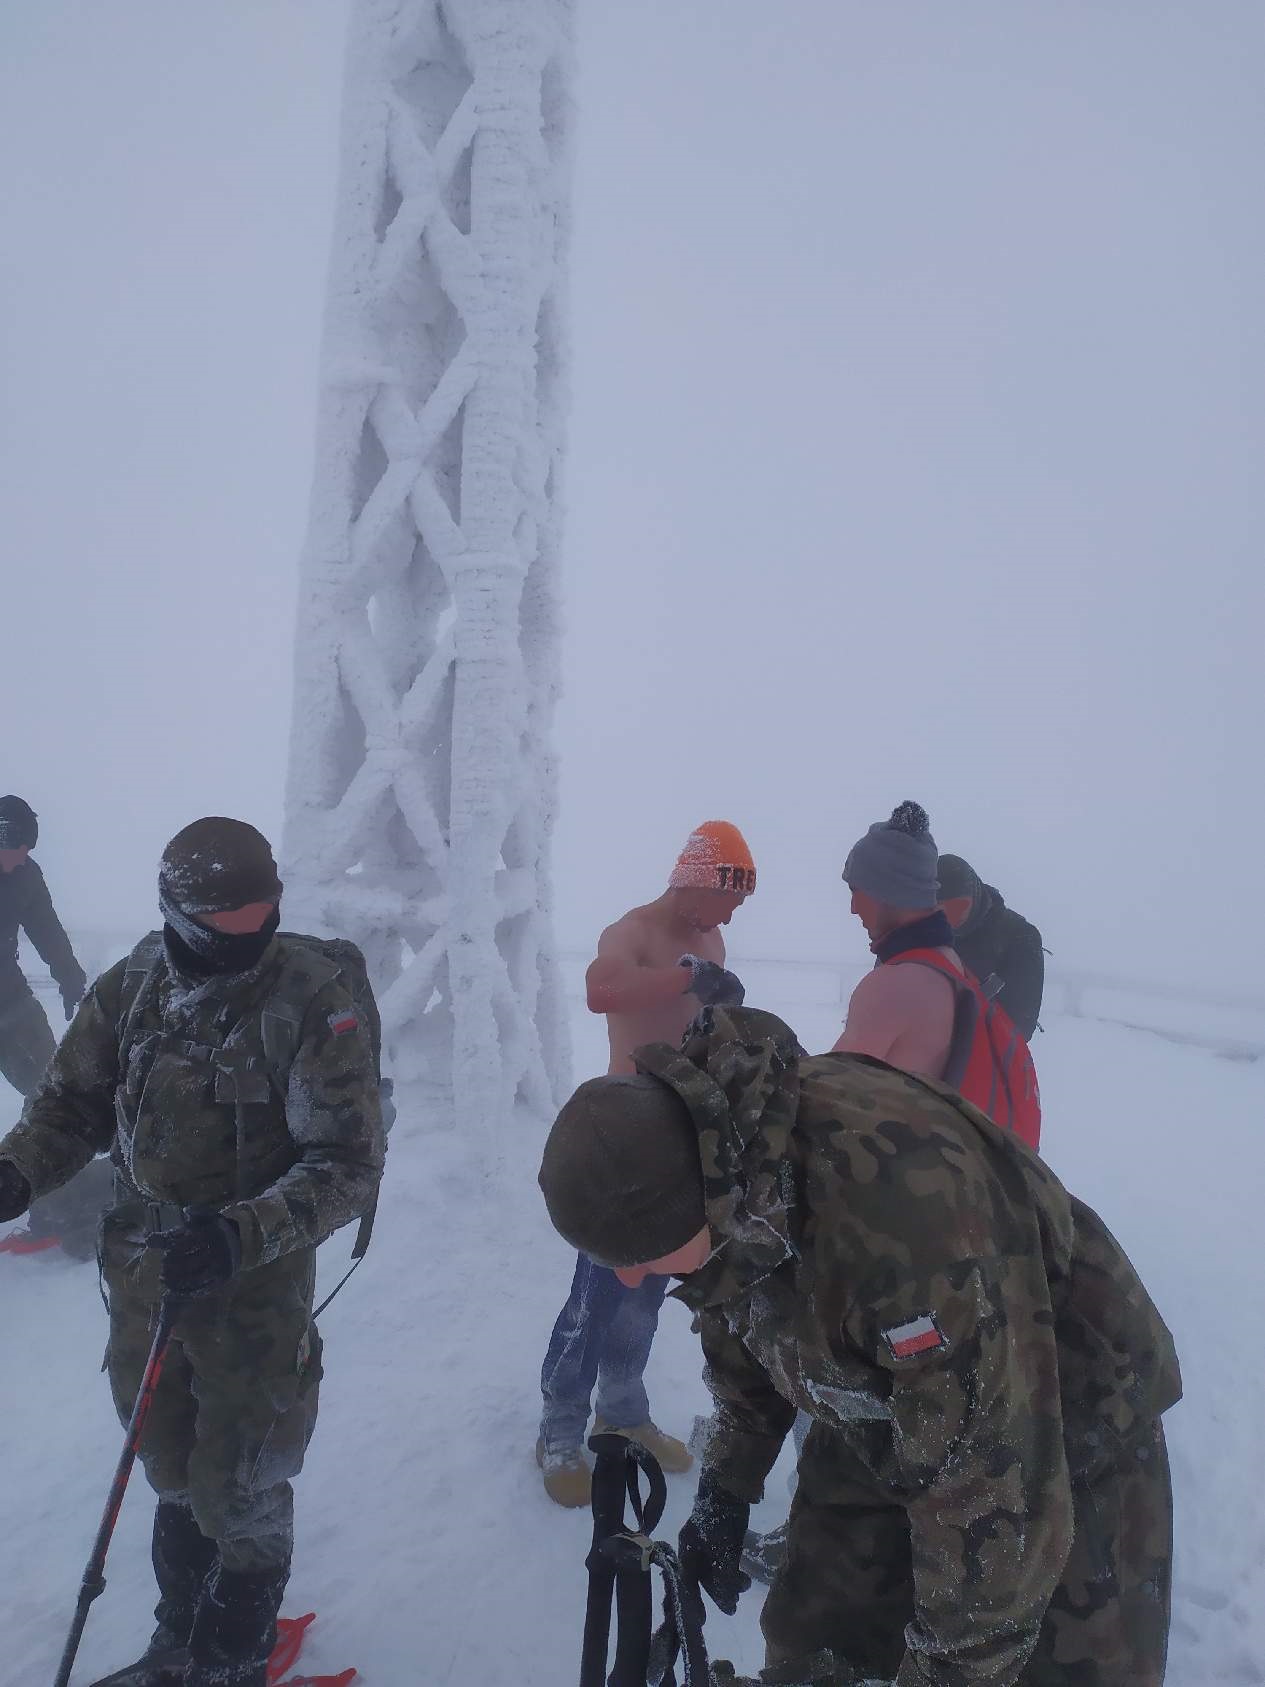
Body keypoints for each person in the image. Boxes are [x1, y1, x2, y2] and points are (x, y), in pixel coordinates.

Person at [539, 1005, 1180, 1687]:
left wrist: (943, 1674)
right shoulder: (725, 1162)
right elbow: (742, 1297)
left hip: (1060, 1417)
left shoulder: (906, 1238)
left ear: (696, 1207)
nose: (632, 1276)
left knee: (1039, 1663)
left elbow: (992, 1494)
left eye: (642, 1255)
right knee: (817, 1638)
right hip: (879, 1398)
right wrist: (727, 1482)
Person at [0, 817, 385, 1687]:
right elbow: (71, 1104)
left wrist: (238, 1233)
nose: (250, 944)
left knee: (243, 1482)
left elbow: (348, 1166)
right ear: (177, 914)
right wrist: (17, 1172)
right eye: (227, 929)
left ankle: (232, 1663)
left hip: (253, 1282)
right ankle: (180, 1641)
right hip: (143, 1269)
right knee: (167, 1457)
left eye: (264, 919)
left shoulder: (313, 1000)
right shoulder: (135, 979)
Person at [535, 820, 753, 1508]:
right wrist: (682, 977)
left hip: (679, 1139)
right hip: (619, 1141)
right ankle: (558, 1428)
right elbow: (603, 990)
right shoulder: (631, 931)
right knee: (595, 1299)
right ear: (697, 881)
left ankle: (623, 1410)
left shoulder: (710, 938)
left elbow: (702, 1020)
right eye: (731, 897)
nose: (733, 914)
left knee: (647, 1295)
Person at [835, 801, 1040, 1147]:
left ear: (888, 892)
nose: (852, 907)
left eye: (857, 891)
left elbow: (823, 1098)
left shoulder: (894, 987)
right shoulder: (949, 965)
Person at [0, 794, 110, 1259]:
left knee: (54, 1097)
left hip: (12, 1003)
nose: (23, 857)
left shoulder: (25, 874)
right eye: (17, 847)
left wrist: (69, 976)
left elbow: (46, 926)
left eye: (28, 849)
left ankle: (60, 1209)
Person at [939, 851, 1045, 1040]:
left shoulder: (1019, 936)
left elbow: (1020, 1026)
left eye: (959, 906)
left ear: (976, 894)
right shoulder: (921, 930)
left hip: (985, 1058)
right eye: (940, 909)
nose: (951, 918)